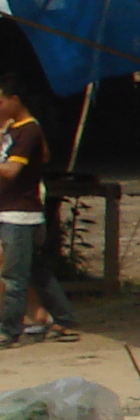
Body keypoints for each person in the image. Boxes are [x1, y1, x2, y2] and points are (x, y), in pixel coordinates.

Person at [0, 85, 79, 346]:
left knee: (14, 276)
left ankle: (9, 330)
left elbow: (11, 171)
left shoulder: (29, 130)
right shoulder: (12, 130)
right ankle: (64, 319)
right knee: (36, 270)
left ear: (14, 99)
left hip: (20, 214)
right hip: (11, 210)